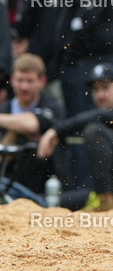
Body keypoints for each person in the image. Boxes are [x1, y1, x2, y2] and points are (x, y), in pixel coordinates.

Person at [37, 63, 113, 211]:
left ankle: (104, 200)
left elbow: (102, 115)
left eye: (105, 87)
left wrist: (55, 130)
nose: (100, 95)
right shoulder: (101, 116)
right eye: (95, 89)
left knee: (94, 130)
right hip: (110, 190)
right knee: (50, 201)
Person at [0, 54, 65, 205]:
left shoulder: (52, 105)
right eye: (20, 80)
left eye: (30, 81)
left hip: (48, 188)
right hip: (11, 189)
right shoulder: (6, 108)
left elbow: (31, 124)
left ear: (42, 81)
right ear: (12, 80)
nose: (24, 87)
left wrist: (14, 127)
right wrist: (16, 129)